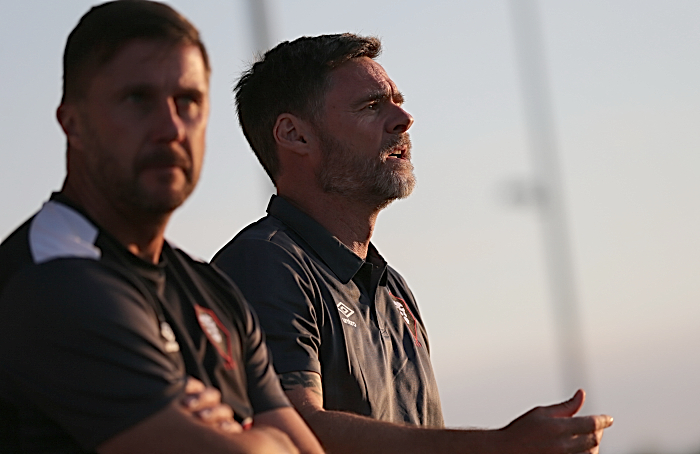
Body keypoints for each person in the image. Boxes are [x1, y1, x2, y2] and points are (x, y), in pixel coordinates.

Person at [212, 33, 613, 454]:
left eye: (397, 101)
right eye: (371, 106)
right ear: (295, 135)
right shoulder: (263, 262)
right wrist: (497, 447)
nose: (404, 118)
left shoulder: (393, 289)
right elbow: (291, 430)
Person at [0, 2, 324, 453]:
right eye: (137, 99)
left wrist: (240, 434)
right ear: (71, 122)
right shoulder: (51, 280)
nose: (171, 127)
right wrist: (250, 436)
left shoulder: (215, 292)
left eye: (188, 101)